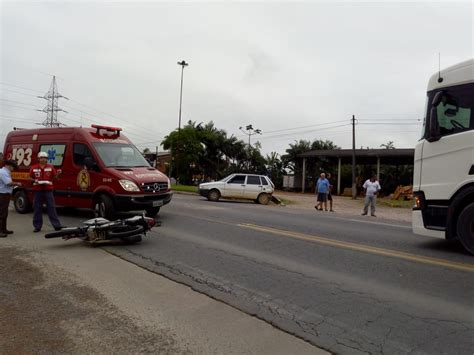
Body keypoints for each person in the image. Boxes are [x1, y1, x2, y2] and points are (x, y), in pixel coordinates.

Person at [29, 152, 63, 232]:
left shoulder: (51, 167)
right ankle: (37, 227)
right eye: (41, 157)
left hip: (48, 191)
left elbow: (55, 178)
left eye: (45, 158)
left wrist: (58, 174)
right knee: (37, 208)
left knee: (51, 208)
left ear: (47, 159)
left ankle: (57, 226)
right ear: (38, 159)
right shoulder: (33, 167)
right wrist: (35, 180)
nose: (43, 159)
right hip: (38, 191)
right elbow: (29, 178)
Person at [0, 160, 21, 237]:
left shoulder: (5, 172)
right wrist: (17, 183)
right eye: (13, 167)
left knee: (4, 213)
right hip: (2, 194)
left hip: (5, 194)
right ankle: (0, 231)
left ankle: (3, 229)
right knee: (2, 213)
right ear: (9, 166)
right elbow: (8, 183)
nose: (13, 169)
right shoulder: (3, 172)